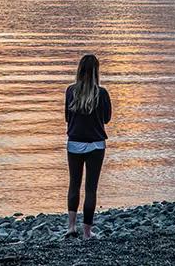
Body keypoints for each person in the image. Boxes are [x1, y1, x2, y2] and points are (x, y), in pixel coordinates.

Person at [65, 54, 112, 239]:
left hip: (75, 142)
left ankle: (71, 227)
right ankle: (86, 232)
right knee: (91, 188)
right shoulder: (101, 93)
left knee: (74, 185)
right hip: (95, 144)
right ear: (96, 72)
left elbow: (67, 118)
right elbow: (107, 119)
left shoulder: (71, 91)